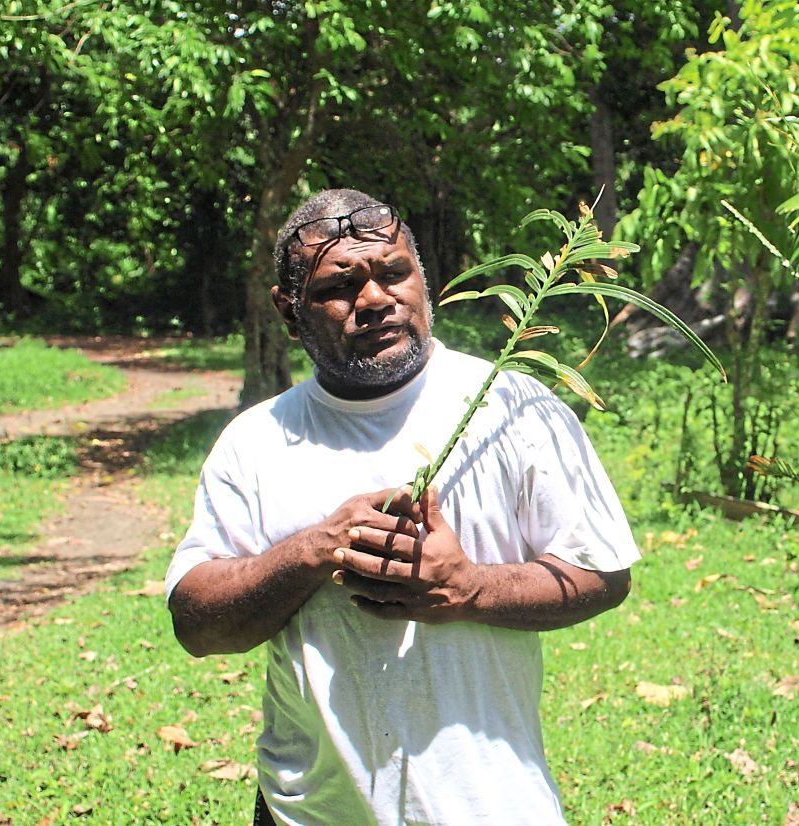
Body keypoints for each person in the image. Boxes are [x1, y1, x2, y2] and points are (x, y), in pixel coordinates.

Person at [165, 188, 639, 825]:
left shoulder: (513, 408)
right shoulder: (255, 442)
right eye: (341, 286)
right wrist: (312, 551)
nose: (375, 300)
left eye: (393, 273)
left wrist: (468, 588)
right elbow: (197, 624)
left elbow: (603, 574)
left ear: (422, 276)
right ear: (288, 310)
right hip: (307, 814)